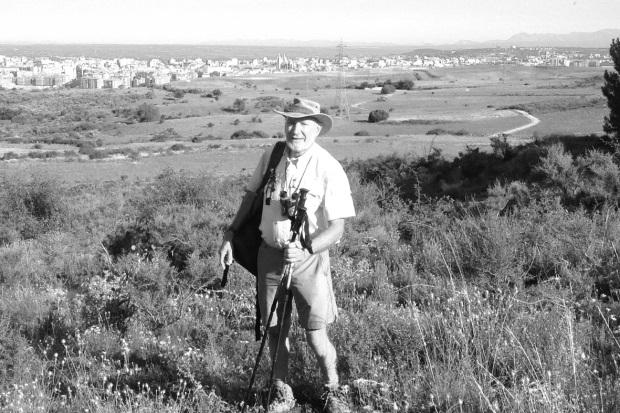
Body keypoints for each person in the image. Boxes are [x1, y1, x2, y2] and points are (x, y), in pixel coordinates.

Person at [219, 98, 355, 412]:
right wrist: (230, 233)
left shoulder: (328, 167)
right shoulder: (272, 155)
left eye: (304, 123)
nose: (296, 130)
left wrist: (306, 247)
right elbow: (251, 198)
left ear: (317, 128)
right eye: (290, 122)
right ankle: (281, 391)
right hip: (269, 255)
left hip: (309, 260)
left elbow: (337, 229)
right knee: (275, 330)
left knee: (315, 333)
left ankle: (333, 389)